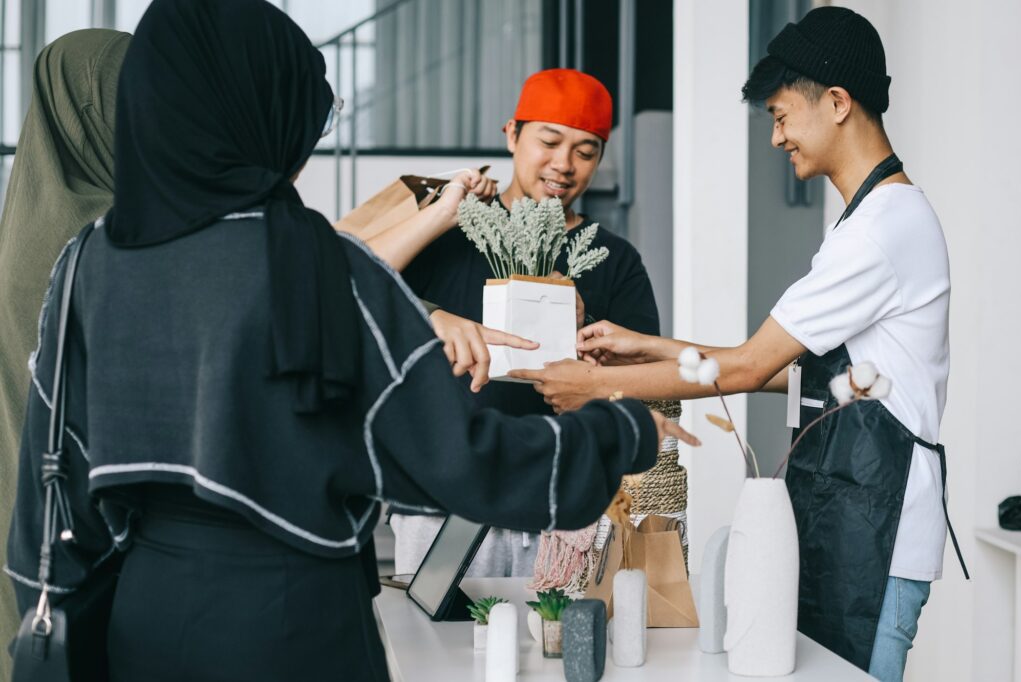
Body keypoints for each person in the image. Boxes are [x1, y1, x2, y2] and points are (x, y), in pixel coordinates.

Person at [4, 1, 692, 680]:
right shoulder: (319, 263)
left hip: (142, 619)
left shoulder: (89, 261)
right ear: (267, 114)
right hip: (299, 622)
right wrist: (624, 430)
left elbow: (53, 487)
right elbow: (465, 461)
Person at [511, 7, 967, 681]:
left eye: (782, 115)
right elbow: (799, 376)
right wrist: (648, 346)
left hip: (878, 528)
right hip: (853, 516)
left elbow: (753, 364)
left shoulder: (880, 229)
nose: (777, 137)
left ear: (837, 102)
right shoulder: (866, 224)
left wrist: (594, 384)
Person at [384, 68, 663, 577]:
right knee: (434, 654)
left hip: (562, 509)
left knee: (559, 652)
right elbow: (360, 297)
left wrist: (588, 327)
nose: (564, 164)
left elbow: (647, 382)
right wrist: (435, 316)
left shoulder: (613, 259)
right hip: (441, 504)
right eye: (550, 141)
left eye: (586, 150)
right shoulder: (447, 232)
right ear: (511, 134)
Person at [0, 29, 130, 681]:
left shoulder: (31, 216)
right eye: (127, 100)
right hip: (71, 537)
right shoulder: (94, 239)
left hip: (27, 520)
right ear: (92, 111)